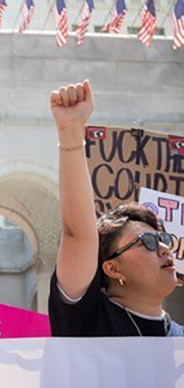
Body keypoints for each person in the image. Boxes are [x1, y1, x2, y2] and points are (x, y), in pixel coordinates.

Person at [49, 80, 183, 337]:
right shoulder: (89, 320)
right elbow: (78, 234)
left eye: (164, 239)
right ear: (113, 269)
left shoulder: (179, 341)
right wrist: (70, 132)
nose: (165, 248)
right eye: (148, 242)